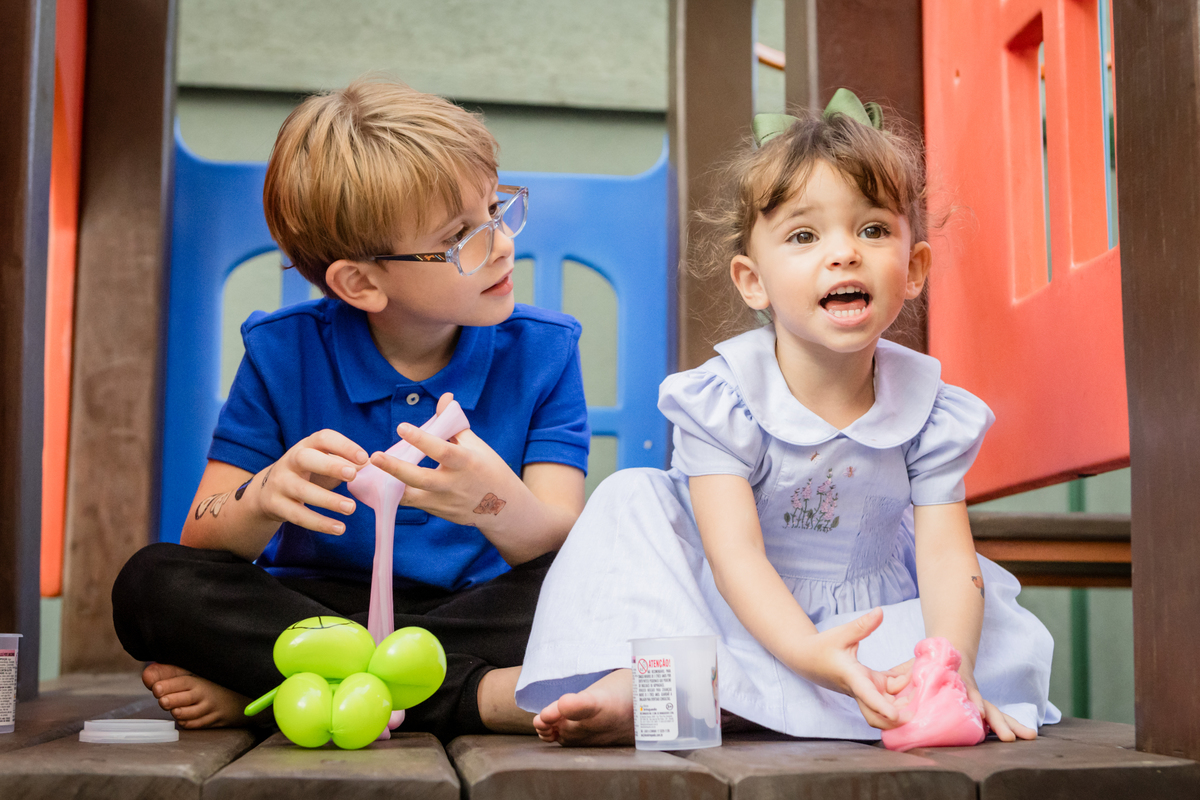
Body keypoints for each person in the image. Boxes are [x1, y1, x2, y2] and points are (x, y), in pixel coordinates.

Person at [514, 90, 1059, 746]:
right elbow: (735, 557)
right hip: (735, 606)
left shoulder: (929, 409)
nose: (844, 253)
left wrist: (952, 665)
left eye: (873, 230)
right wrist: (808, 654)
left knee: (982, 624)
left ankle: (735, 702)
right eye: (804, 235)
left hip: (867, 612)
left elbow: (945, 555)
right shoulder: (725, 399)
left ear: (914, 268)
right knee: (632, 496)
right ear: (753, 282)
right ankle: (671, 692)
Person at [112, 78, 590, 743]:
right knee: (150, 585)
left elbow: (562, 549)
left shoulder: (544, 351)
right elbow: (202, 537)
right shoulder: (283, 351)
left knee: (594, 590)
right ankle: (475, 695)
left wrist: (493, 504)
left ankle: (287, 689)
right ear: (361, 282)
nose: (503, 243)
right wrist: (262, 497)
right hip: (317, 610)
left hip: (476, 608)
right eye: (461, 236)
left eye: (495, 208)